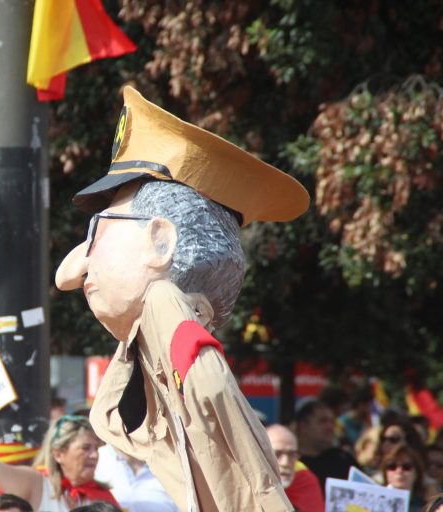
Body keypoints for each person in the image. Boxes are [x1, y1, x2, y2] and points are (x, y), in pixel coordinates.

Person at [54, 85, 307, 510]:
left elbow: (214, 390)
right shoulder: (150, 336)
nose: (77, 269)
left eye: (98, 231)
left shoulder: (165, 307)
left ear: (160, 241)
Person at [0, 415, 118, 511]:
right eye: (86, 448)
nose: (94, 455)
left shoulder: (101, 497)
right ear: (58, 454)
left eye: (96, 448)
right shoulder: (36, 483)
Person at [295, 399, 360, 490]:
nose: (330, 427)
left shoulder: (343, 460)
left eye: (332, 421)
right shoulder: (290, 463)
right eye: (323, 421)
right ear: (303, 426)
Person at [266, 424, 325, 512]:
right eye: (277, 454)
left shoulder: (305, 480)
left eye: (292, 454)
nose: (285, 463)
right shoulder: (244, 482)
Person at [380, 442, 427, 511]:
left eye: (406, 467)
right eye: (392, 466)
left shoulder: (426, 508)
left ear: (416, 474)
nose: (399, 471)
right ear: (385, 473)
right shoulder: (374, 502)